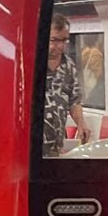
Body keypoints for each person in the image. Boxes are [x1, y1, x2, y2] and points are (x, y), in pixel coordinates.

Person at [43, 14, 90, 157]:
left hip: (56, 146)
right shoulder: (29, 63)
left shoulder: (69, 67)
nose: (60, 46)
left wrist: (81, 124)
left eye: (64, 40)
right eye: (54, 40)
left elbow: (74, 101)